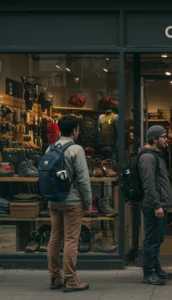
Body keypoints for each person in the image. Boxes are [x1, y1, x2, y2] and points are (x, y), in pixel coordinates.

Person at [47, 115, 92, 292]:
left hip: (54, 200)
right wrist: (88, 202)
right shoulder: (76, 149)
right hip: (72, 201)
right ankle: (71, 280)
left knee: (54, 238)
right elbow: (82, 178)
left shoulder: (50, 148)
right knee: (71, 240)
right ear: (75, 130)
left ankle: (55, 277)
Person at [139, 125, 172, 285]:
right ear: (154, 139)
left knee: (157, 239)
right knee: (151, 239)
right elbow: (148, 184)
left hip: (160, 204)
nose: (166, 139)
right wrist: (156, 205)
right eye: (163, 136)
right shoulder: (148, 157)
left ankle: (156, 267)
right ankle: (148, 273)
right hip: (154, 206)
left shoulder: (157, 155)